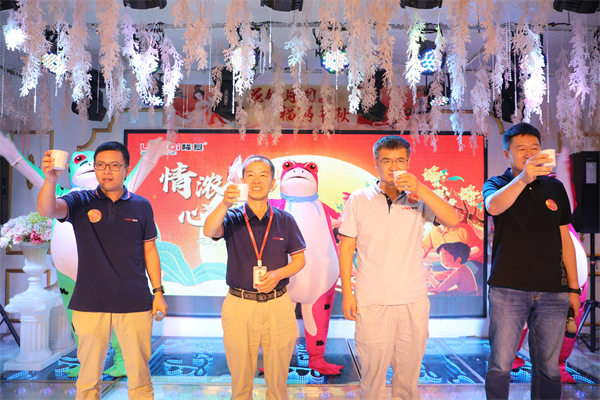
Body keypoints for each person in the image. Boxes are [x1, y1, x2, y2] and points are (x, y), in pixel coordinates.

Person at [37, 141, 167, 400]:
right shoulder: (80, 200)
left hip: (134, 302)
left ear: (127, 169)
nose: (107, 171)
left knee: (140, 378)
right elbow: (47, 210)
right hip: (90, 302)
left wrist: (158, 292)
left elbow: (150, 251)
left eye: (115, 165)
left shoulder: (141, 205)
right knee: (88, 380)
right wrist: (50, 180)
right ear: (95, 168)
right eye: (101, 165)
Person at [338, 135, 459, 399]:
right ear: (376, 163)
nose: (393, 167)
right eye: (386, 161)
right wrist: (348, 293)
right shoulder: (359, 199)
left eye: (400, 160)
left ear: (408, 162)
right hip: (372, 300)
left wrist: (421, 189)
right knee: (372, 376)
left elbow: (452, 219)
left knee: (408, 376)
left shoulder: (418, 198)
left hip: (412, 299)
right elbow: (346, 248)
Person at [483, 122, 580, 400]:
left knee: (548, 368)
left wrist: (573, 289)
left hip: (553, 290)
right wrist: (524, 178)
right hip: (508, 289)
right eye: (521, 149)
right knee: (501, 364)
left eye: (534, 148)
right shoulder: (496, 184)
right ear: (507, 154)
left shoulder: (554, 187)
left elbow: (565, 240)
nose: (529, 154)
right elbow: (493, 207)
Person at [203, 155, 306, 400]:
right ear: (242, 181)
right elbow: (209, 230)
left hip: (278, 304)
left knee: (278, 381)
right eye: (250, 175)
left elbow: (300, 260)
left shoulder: (285, 220)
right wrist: (224, 203)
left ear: (273, 183)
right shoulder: (232, 217)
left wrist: (279, 274)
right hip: (240, 305)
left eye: (263, 175)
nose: (256, 180)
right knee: (240, 380)